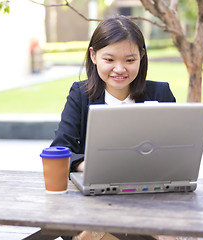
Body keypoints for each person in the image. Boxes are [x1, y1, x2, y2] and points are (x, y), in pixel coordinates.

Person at [50, 15, 176, 240]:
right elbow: (61, 150)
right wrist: (90, 165)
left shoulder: (161, 94)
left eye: (129, 60)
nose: (120, 69)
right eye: (109, 59)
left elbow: (177, 152)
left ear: (142, 56)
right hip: (97, 201)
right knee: (81, 230)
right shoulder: (80, 96)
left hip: (151, 200)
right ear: (94, 55)